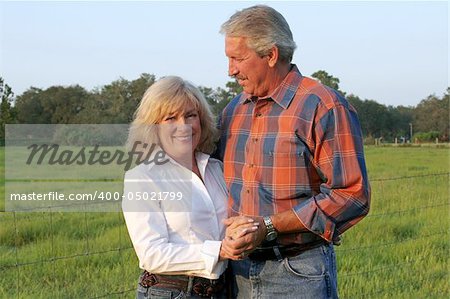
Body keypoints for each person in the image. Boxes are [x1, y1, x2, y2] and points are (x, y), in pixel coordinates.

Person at [216, 5, 371, 298]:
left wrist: (269, 226)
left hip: (297, 272)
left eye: (238, 58)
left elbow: (352, 195)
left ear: (271, 55)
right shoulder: (233, 110)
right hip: (235, 272)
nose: (230, 70)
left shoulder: (322, 106)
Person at [122, 76, 258, 299]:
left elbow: (228, 223)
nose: (183, 126)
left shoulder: (217, 169)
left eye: (190, 115)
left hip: (224, 288)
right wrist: (220, 250)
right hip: (170, 292)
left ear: (201, 120)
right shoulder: (143, 177)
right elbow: (151, 254)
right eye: (170, 118)